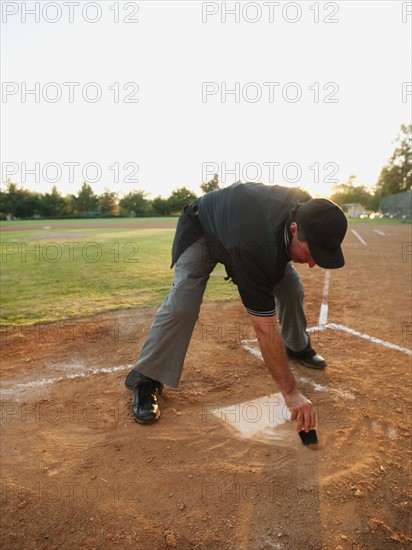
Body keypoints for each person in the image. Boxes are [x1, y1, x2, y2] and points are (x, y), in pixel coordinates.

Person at [125, 182, 348, 433]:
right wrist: (290, 392)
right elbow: (264, 327)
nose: (310, 264)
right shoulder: (253, 242)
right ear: (295, 229)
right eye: (309, 253)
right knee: (183, 303)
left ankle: (297, 346)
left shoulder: (308, 210)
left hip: (244, 233)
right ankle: (146, 378)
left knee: (292, 288)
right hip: (204, 230)